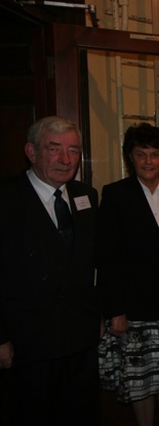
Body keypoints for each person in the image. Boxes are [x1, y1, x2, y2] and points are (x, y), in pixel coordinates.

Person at [0, 116, 101, 425]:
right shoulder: (6, 199)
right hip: (29, 343)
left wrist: (96, 314)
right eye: (54, 149)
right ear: (31, 151)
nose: (65, 159)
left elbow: (92, 263)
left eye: (73, 150)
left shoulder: (87, 195)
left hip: (79, 340)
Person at [96, 122, 159, 426]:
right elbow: (107, 258)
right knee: (141, 381)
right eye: (141, 155)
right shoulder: (115, 195)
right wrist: (115, 310)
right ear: (130, 158)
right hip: (134, 308)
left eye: (155, 154)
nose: (148, 161)